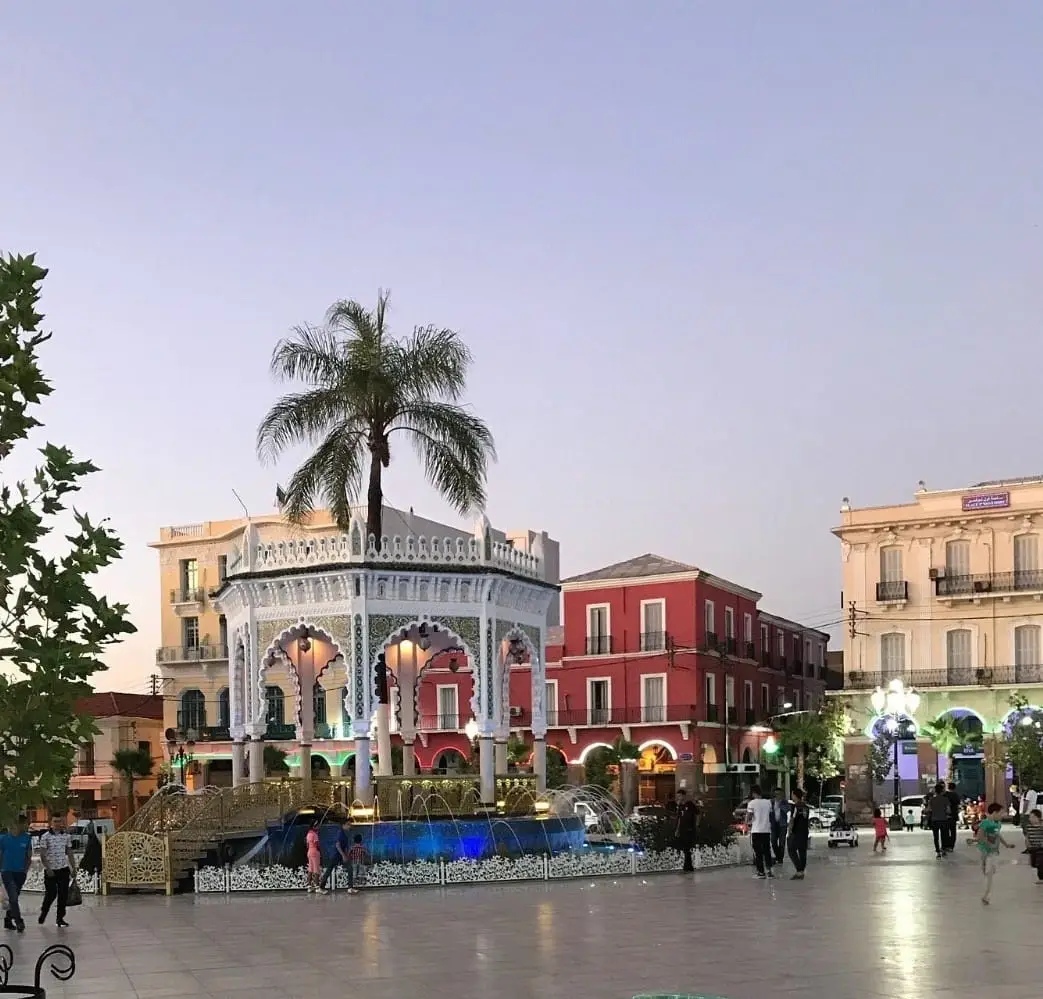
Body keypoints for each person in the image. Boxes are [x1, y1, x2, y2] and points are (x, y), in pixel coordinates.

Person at [972, 802, 1015, 905]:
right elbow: (979, 836)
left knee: (990, 873)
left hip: (994, 852)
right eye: (1001, 813)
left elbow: (997, 835)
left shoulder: (998, 824)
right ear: (994, 813)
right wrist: (986, 843)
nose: (1002, 815)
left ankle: (986, 895)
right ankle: (986, 895)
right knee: (988, 873)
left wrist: (1006, 844)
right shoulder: (985, 823)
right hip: (985, 851)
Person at [38, 814, 75, 927]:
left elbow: (69, 852)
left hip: (63, 869)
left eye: (59, 821)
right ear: (51, 823)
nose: (57, 823)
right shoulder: (45, 836)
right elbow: (43, 854)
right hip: (51, 870)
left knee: (63, 894)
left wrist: (73, 867)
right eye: (55, 821)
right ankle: (44, 912)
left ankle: (60, 918)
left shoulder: (66, 836)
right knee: (51, 894)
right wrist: (48, 868)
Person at [0, 816, 32, 933]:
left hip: (20, 872)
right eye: (26, 824)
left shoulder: (27, 838)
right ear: (19, 824)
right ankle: (19, 921)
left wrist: (25, 870)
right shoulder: (3, 839)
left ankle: (8, 920)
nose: (27, 826)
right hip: (7, 871)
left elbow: (28, 856)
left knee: (14, 898)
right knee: (13, 896)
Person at [745, 785, 774, 879]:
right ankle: (769, 871)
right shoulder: (768, 802)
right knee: (767, 850)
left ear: (753, 793)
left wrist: (747, 822)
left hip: (756, 830)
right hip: (766, 829)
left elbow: (749, 816)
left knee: (758, 852)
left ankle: (761, 872)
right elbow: (770, 815)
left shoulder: (752, 803)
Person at [319, 818, 353, 895]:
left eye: (350, 824)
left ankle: (350, 888)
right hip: (336, 855)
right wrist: (343, 856)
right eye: (348, 824)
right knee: (329, 870)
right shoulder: (340, 833)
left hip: (340, 855)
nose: (350, 826)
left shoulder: (344, 833)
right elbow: (337, 845)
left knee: (349, 868)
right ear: (343, 825)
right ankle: (321, 887)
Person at [786, 788, 810, 880]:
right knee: (802, 851)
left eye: (792, 794)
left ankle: (799, 870)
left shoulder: (795, 807)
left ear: (795, 795)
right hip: (804, 831)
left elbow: (792, 819)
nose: (792, 796)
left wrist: (789, 831)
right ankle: (801, 872)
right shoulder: (806, 807)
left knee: (791, 849)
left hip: (796, 832)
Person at [674, 789, 698, 872]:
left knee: (687, 848)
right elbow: (679, 818)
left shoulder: (690, 804)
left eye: (680, 796)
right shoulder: (680, 806)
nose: (679, 798)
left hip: (689, 829)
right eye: (678, 796)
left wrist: (696, 825)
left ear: (684, 796)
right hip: (682, 829)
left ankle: (688, 867)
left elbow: (698, 813)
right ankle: (688, 866)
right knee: (685, 848)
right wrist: (677, 829)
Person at [927, 782, 950, 859]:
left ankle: (938, 852)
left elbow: (929, 809)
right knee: (944, 836)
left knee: (935, 837)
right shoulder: (945, 799)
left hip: (935, 820)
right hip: (943, 820)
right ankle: (943, 850)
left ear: (935, 791)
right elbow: (948, 810)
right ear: (942, 790)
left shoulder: (931, 800)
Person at [769, 788, 790, 865]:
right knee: (773, 841)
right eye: (776, 794)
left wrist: (780, 805)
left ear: (782, 794)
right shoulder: (771, 802)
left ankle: (780, 859)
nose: (777, 795)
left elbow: (787, 810)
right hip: (773, 824)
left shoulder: (785, 802)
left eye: (779, 794)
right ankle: (778, 856)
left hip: (782, 825)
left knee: (782, 843)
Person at [1023, 808, 1043, 883]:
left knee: (1040, 863)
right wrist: (1027, 844)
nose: (1030, 819)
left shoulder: (1041, 827)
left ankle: (1041, 878)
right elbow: (1027, 836)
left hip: (1041, 848)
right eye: (1030, 817)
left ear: (1037, 818)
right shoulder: (1028, 827)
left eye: (1032, 817)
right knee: (1033, 863)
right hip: (1032, 847)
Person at [943, 781, 961, 852]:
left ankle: (946, 845)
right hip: (953, 816)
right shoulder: (956, 795)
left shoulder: (945, 795)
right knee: (953, 831)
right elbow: (958, 803)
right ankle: (951, 846)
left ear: (948, 787)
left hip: (946, 816)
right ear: (954, 788)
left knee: (946, 831)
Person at [305, 822, 322, 893]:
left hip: (309, 852)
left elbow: (307, 845)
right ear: (314, 827)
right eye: (317, 826)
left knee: (310, 870)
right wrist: (320, 851)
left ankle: (309, 887)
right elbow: (317, 845)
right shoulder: (315, 834)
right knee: (316, 870)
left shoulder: (308, 834)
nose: (318, 827)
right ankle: (317, 887)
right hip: (315, 852)